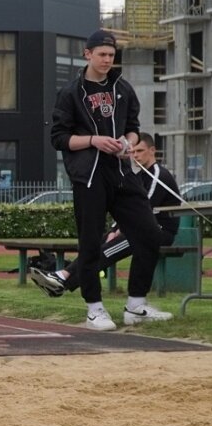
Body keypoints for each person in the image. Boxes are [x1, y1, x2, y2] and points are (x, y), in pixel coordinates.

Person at [50, 30, 172, 331]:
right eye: (101, 54)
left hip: (122, 173)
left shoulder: (123, 89)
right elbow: (59, 138)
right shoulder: (70, 93)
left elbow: (133, 128)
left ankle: (136, 306)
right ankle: (94, 309)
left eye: (111, 55)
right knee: (90, 244)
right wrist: (94, 140)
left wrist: (128, 143)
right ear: (87, 54)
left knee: (149, 234)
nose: (107, 60)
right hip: (90, 177)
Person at [31, 133, 181, 299]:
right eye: (133, 151)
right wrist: (115, 229)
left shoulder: (159, 174)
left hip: (159, 232)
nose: (135, 155)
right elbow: (128, 209)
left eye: (140, 150)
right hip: (141, 228)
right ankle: (63, 276)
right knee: (98, 244)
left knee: (110, 249)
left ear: (152, 150)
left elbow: (143, 209)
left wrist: (121, 229)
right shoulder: (137, 175)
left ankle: (63, 279)